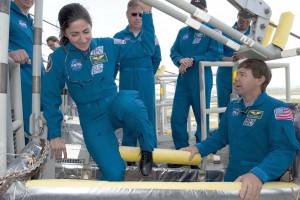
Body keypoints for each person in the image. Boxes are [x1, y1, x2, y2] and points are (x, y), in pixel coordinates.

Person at [41, 2, 156, 181]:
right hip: (93, 121)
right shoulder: (58, 58)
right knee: (115, 174)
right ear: (64, 33)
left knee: (129, 101)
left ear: (91, 27)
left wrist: (147, 13)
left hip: (114, 107)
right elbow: (50, 96)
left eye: (86, 31)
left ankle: (148, 150)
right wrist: (54, 134)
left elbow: (146, 48)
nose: (83, 39)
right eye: (75, 34)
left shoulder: (108, 45)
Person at [182, 59, 299, 200]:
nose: (236, 78)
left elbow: (284, 149)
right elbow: (220, 137)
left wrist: (258, 174)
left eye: (242, 75)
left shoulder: (278, 109)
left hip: (260, 184)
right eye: (237, 74)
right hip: (233, 179)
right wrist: (198, 148)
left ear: (260, 80)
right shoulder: (233, 107)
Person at [169, 0, 223, 166]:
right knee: (177, 117)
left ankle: (200, 150)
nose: (195, 13)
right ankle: (181, 152)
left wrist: (193, 60)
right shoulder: (183, 32)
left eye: (199, 10)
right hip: (183, 79)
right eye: (192, 9)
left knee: (202, 117)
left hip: (201, 78)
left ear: (205, 11)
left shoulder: (213, 31)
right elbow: (173, 52)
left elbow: (216, 54)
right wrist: (180, 60)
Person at [113, 0, 162, 160]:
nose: (138, 17)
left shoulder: (150, 35)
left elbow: (157, 58)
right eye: (134, 14)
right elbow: (114, 62)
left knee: (147, 116)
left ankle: (150, 155)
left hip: (145, 80)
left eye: (141, 14)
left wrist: (147, 73)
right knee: (127, 116)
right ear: (127, 15)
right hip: (126, 80)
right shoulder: (118, 37)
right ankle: (128, 157)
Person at [8, 0, 43, 142]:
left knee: (31, 136)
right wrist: (9, 53)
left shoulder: (30, 20)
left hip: (34, 91)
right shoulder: (5, 12)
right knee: (17, 141)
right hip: (16, 90)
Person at [216, 10, 252, 120]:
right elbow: (216, 54)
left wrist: (244, 56)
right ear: (237, 16)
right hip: (225, 74)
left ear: (252, 19)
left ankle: (245, 133)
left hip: (246, 74)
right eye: (242, 16)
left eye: (248, 17)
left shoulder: (255, 35)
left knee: (247, 104)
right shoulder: (226, 32)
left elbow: (260, 54)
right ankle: (223, 133)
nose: (244, 20)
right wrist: (232, 59)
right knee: (223, 106)